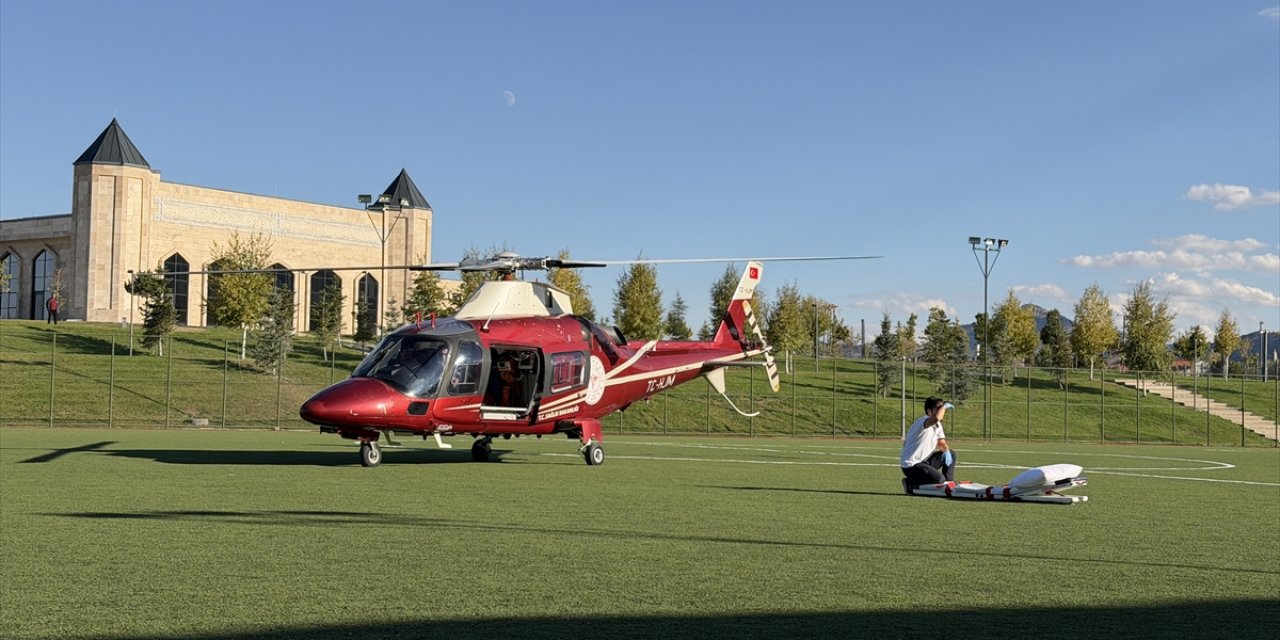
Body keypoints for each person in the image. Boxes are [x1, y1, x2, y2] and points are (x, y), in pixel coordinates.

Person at [899, 396, 956, 494]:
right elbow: (937, 417)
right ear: (929, 411)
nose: (942, 411)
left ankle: (948, 484)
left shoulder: (937, 425)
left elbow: (941, 442)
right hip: (911, 465)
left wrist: (946, 451)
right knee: (939, 479)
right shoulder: (923, 421)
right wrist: (944, 407)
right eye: (938, 409)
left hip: (924, 461)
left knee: (951, 453)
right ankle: (911, 483)